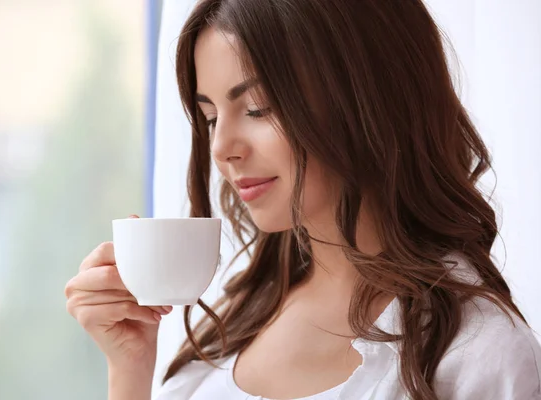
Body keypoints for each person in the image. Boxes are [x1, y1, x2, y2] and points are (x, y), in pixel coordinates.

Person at [65, 1, 541, 399]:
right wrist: (129, 368)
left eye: (257, 108)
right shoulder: (242, 319)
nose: (222, 147)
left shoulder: (476, 355)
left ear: (368, 99)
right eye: (210, 117)